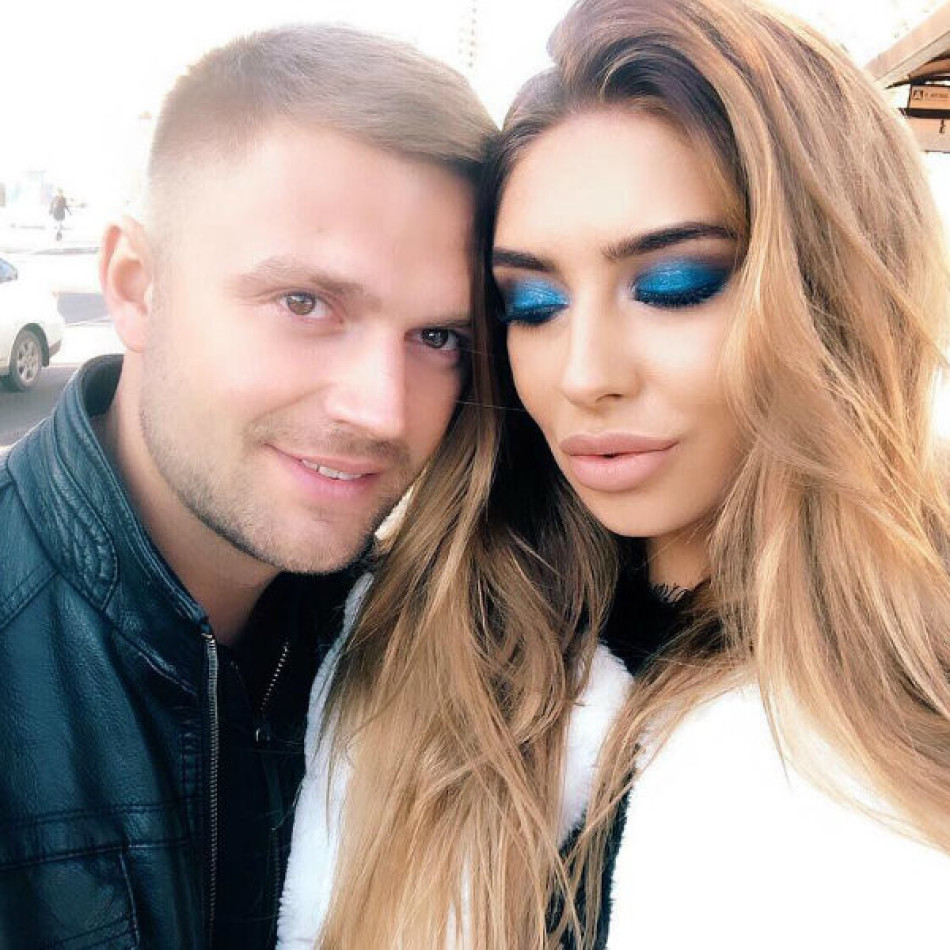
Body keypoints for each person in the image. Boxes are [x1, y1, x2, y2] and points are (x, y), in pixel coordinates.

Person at [278, 0, 950, 947]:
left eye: (674, 286)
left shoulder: (914, 700)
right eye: (533, 303)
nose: (584, 375)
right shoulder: (401, 638)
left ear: (835, 293)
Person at [0, 24, 493, 948]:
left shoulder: (419, 643)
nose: (383, 410)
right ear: (136, 287)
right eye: (305, 303)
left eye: (439, 337)